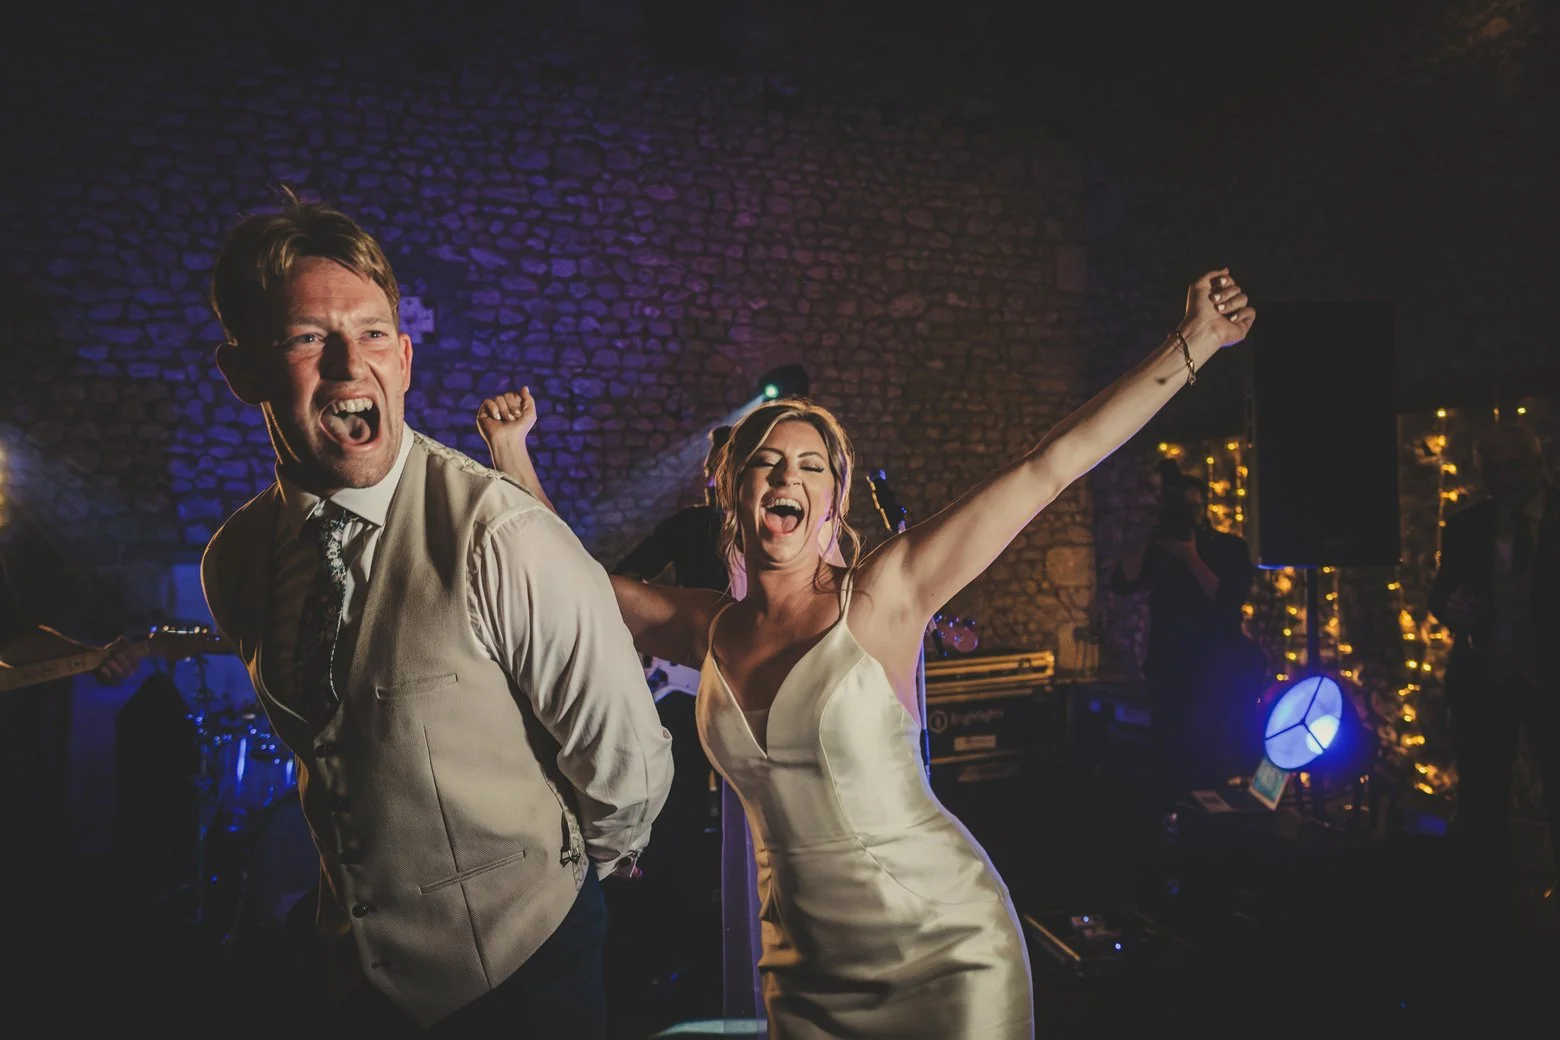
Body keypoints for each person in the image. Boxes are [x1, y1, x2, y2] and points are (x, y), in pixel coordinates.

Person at [481, 268, 1255, 1037]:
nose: (788, 474)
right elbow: (576, 583)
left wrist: (1195, 343)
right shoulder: (704, 628)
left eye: (811, 465)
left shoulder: (885, 593)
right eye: (767, 461)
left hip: (944, 953)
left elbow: (1048, 467)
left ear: (833, 500)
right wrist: (515, 457)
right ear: (732, 489)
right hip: (801, 976)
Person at [198, 190, 673, 1038]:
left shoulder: (505, 536)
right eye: (308, 338)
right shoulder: (236, 561)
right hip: (354, 991)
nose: (351, 366)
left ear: (406, 358)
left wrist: (544, 895)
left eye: (374, 333)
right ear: (243, 374)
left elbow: (629, 767)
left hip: (529, 979)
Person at [1429, 421, 1558, 929]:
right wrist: (1452, 608)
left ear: (1536, 463)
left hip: (1552, 678)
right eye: (1492, 471)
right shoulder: (1467, 525)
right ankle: (1489, 916)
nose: (1503, 479)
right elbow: (1441, 596)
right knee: (1481, 800)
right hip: (1485, 680)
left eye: (1513, 467)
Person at [1110, 465, 1258, 792]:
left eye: (1194, 508)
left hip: (1216, 667)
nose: (1189, 517)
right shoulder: (1159, 552)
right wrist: (1143, 539)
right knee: (1171, 759)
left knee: (1213, 757)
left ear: (1204, 508)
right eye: (1182, 509)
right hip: (1170, 667)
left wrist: (1191, 557)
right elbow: (1123, 583)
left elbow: (1227, 600)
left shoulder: (1229, 548)